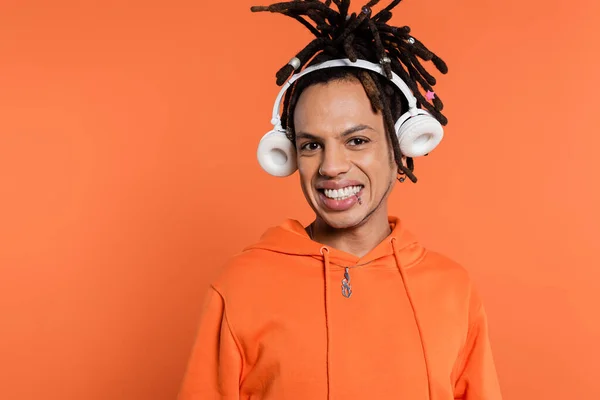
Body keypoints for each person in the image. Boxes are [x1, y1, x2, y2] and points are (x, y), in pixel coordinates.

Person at [178, 1, 502, 399]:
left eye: (357, 140)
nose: (331, 166)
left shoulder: (454, 290)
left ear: (400, 146)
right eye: (312, 144)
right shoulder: (239, 286)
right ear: (289, 154)